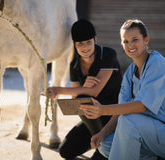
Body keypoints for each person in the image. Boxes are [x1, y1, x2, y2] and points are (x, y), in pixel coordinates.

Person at [80, 19, 165, 160]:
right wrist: (103, 132)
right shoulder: (130, 72)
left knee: (129, 121)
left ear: (146, 40)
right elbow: (121, 109)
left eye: (135, 40)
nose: (130, 45)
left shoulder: (157, 64)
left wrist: (102, 110)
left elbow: (141, 106)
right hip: (149, 135)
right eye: (125, 41)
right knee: (105, 145)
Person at [47, 19, 123, 160]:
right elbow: (76, 101)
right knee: (65, 151)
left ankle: (103, 147)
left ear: (95, 39)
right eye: (80, 44)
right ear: (75, 45)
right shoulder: (75, 65)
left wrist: (58, 90)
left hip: (115, 114)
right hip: (94, 118)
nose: (85, 47)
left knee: (85, 100)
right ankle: (98, 139)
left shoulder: (108, 54)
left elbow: (95, 92)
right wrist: (83, 87)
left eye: (88, 42)